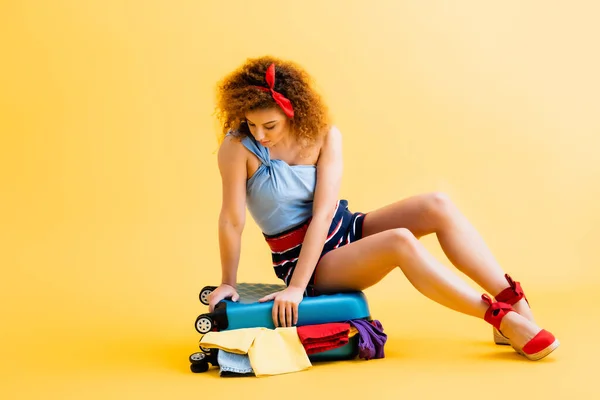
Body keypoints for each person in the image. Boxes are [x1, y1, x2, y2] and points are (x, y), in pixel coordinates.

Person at [207, 56, 559, 361]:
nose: (260, 134)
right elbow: (232, 220)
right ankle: (502, 320)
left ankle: (517, 305)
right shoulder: (239, 147)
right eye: (252, 124)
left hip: (343, 228)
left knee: (437, 203)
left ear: (292, 110)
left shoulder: (325, 135)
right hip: (305, 264)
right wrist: (251, 284)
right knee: (399, 241)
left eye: (270, 125)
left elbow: (325, 214)